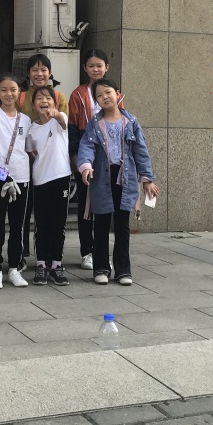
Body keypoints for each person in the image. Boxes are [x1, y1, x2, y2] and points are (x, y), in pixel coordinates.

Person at [77, 78, 158, 286]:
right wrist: (86, 166)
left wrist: (147, 179)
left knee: (122, 225)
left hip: (125, 178)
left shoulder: (130, 122)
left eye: (108, 92)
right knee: (101, 223)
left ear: (118, 94)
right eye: (99, 95)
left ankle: (123, 270)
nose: (104, 97)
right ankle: (101, 268)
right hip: (101, 177)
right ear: (96, 101)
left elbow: (141, 150)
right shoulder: (94, 124)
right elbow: (86, 146)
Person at [17, 53, 69, 266]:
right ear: (28, 73)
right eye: (35, 70)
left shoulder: (58, 95)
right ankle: (23, 254)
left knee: (53, 215)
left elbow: (63, 122)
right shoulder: (21, 97)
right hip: (27, 159)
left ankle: (53, 257)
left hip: (53, 162)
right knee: (26, 209)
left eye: (43, 70)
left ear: (50, 73)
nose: (39, 74)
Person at [0, 74, 31, 289]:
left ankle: (15, 268)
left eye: (13, 90)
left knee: (18, 225)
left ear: (19, 92)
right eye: (3, 90)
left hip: (22, 176)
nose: (8, 94)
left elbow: (29, 148)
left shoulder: (25, 120)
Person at [67, 49, 114, 272]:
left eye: (99, 65)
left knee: (104, 206)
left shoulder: (114, 93)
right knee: (86, 205)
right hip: (85, 156)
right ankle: (87, 252)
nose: (95, 69)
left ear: (106, 68)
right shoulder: (78, 94)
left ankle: (102, 253)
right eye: (91, 66)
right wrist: (75, 156)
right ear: (85, 68)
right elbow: (73, 127)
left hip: (109, 159)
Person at [27, 84, 72, 286]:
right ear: (33, 105)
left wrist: (56, 114)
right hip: (40, 179)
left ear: (55, 103)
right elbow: (30, 151)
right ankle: (41, 264)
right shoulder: (31, 128)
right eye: (39, 98)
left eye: (48, 98)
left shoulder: (60, 120)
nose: (44, 101)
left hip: (61, 176)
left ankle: (56, 264)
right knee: (41, 224)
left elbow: (62, 120)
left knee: (58, 223)